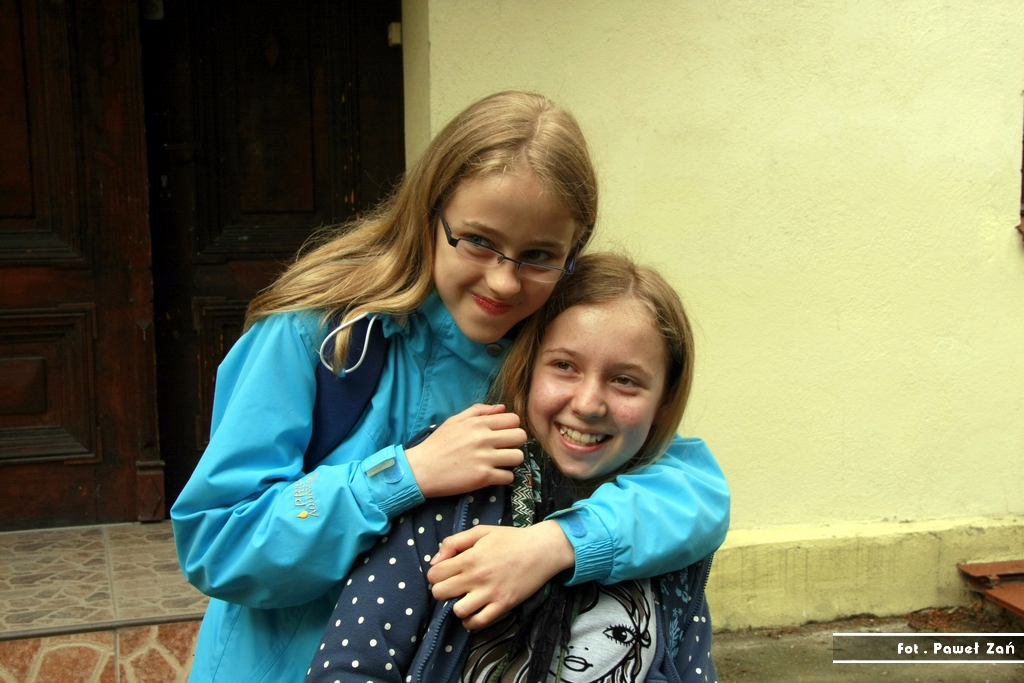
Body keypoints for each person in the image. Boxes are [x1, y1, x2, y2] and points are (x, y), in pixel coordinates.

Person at [171, 91, 730, 683]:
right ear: (429, 213)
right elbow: (218, 541)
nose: (504, 281)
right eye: (479, 241)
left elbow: (693, 490)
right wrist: (402, 476)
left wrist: (557, 544)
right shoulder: (319, 336)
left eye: (539, 255)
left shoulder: (545, 355)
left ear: (572, 252)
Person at [306, 253, 719, 683]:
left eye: (625, 380)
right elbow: (350, 668)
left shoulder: (669, 531)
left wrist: (553, 546)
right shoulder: (457, 482)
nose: (588, 404)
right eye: (565, 366)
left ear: (664, 400)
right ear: (528, 367)